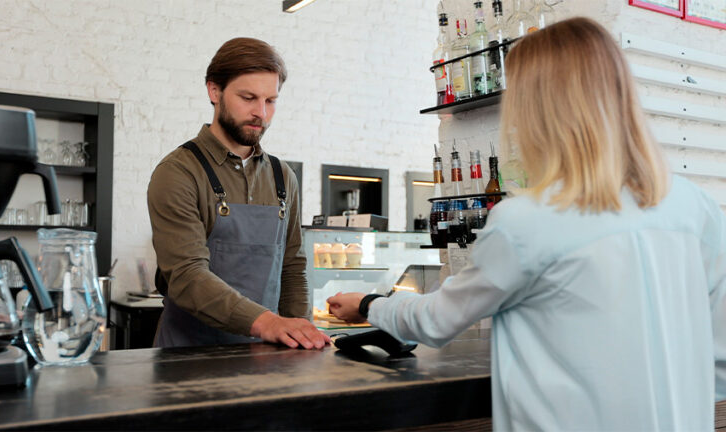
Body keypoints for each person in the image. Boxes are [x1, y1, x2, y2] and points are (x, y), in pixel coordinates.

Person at [328, 17, 726, 430]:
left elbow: (437, 321)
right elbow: (721, 355)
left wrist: (369, 305)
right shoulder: (694, 206)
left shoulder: (526, 221)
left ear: (535, 108)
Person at [148, 37, 329, 350]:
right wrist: (269, 323)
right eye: (248, 97)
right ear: (214, 91)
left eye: (270, 100)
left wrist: (301, 336)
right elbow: (188, 276)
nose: (261, 112)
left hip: (264, 358)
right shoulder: (178, 172)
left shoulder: (282, 176)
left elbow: (293, 266)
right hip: (186, 359)